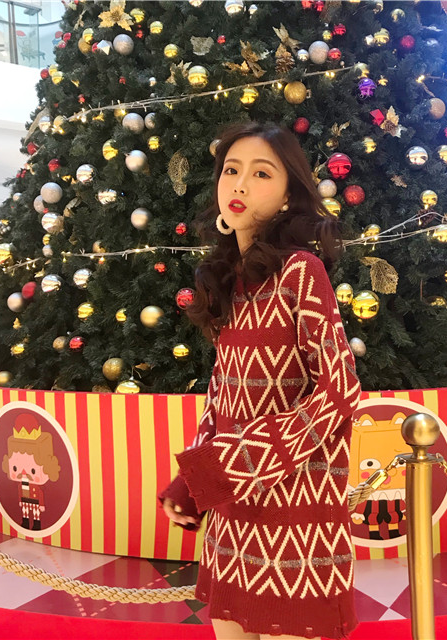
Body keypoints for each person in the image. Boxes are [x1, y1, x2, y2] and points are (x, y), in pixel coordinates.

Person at [158, 121, 362, 640]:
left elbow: (339, 391)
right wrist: (194, 482)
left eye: (261, 173)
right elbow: (221, 397)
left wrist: (230, 464)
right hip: (233, 520)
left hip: (297, 519)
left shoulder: (301, 272)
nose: (240, 184)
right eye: (231, 170)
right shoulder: (229, 283)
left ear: (289, 194)